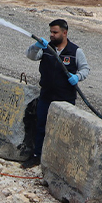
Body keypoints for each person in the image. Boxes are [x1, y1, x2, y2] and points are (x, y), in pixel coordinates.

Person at [21, 18, 89, 168]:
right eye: (50, 32)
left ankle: (60, 161)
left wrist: (77, 77)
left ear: (64, 33)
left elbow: (85, 69)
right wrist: (35, 46)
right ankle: (37, 156)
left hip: (65, 98)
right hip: (46, 95)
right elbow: (30, 56)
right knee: (41, 126)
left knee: (63, 130)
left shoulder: (75, 51)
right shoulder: (46, 48)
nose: (51, 35)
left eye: (55, 32)